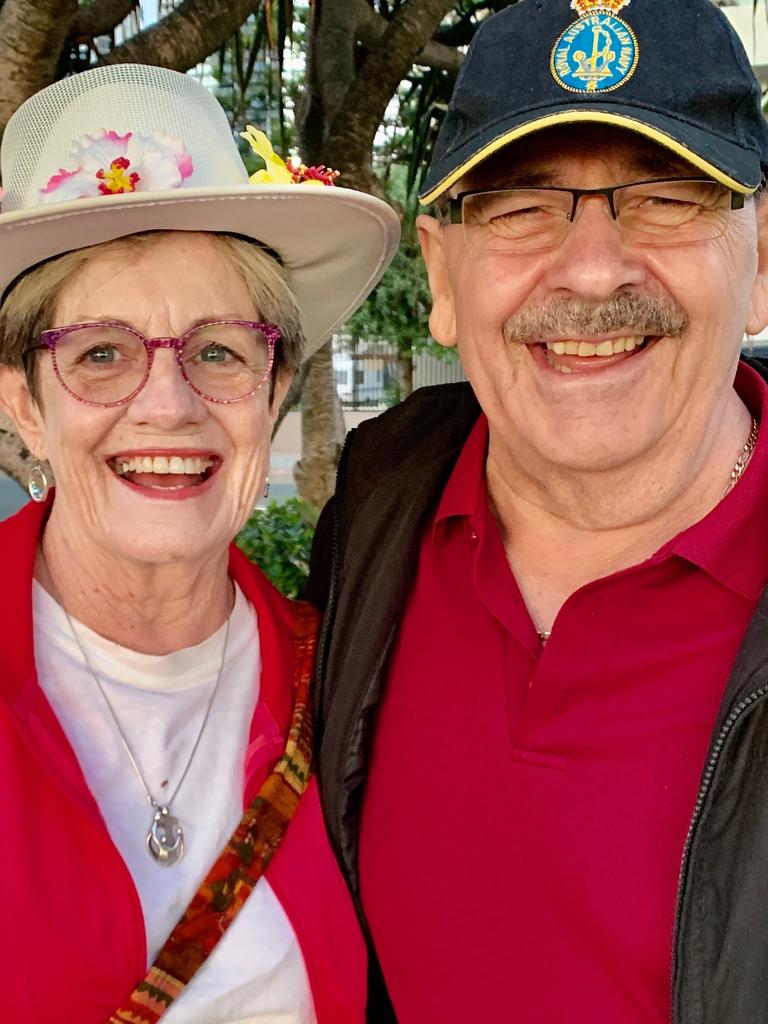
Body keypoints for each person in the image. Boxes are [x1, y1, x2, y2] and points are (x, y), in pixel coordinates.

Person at [308, 1, 768, 1022]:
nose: (594, 267)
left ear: (764, 256)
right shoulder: (377, 517)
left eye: (666, 197)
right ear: (440, 270)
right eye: (518, 205)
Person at [0, 64, 398, 1024]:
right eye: (100, 353)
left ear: (275, 388)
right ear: (24, 406)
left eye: (218, 350)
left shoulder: (343, 681)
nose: (168, 406)